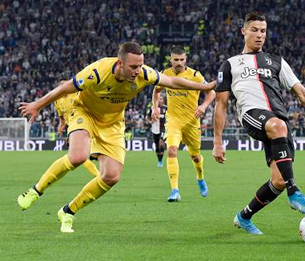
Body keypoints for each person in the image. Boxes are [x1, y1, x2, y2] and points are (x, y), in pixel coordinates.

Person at [17, 41, 216, 233]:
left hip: (112, 123)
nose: (138, 71)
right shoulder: (97, 72)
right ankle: (35, 191)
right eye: (133, 67)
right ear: (120, 63)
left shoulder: (144, 73)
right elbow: (65, 88)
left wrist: (205, 88)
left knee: (111, 176)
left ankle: (68, 211)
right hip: (84, 112)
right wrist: (38, 105)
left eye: (140, 65)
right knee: (78, 156)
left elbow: (172, 81)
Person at [212, 11, 305, 235]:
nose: (259, 35)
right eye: (254, 30)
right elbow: (221, 105)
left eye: (263, 31)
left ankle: (244, 217)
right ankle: (294, 191)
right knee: (278, 130)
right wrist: (217, 141)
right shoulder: (230, 64)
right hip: (252, 114)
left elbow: (302, 93)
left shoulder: (277, 62)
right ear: (243, 31)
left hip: (278, 122)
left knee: (278, 180)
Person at [151, 45, 216, 202]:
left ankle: (200, 177)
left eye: (181, 59)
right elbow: (156, 90)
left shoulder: (195, 75)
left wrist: (203, 106)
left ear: (185, 59)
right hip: (173, 120)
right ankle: (175, 190)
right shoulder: (165, 74)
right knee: (172, 151)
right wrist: (155, 107)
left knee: (195, 157)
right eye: (176, 60)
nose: (179, 62)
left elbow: (211, 92)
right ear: (170, 59)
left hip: (192, 122)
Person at [54, 82, 100, 177]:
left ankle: (96, 156)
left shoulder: (76, 93)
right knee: (78, 156)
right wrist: (61, 126)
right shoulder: (57, 101)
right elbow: (61, 116)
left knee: (79, 155)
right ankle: (97, 169)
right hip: (71, 127)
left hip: (82, 123)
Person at [148, 97, 166, 168]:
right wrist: (151, 121)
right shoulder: (152, 108)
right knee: (157, 146)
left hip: (163, 129)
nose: (160, 100)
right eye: (159, 99)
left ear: (163, 100)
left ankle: (160, 161)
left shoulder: (166, 108)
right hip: (154, 129)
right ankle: (159, 160)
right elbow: (148, 118)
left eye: (161, 99)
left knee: (161, 143)